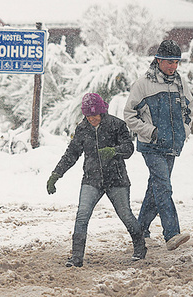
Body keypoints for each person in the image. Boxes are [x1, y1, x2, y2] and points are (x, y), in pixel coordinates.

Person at [47, 93, 146, 268]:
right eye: (88, 115)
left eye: (95, 115)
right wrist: (56, 175)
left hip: (117, 179)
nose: (92, 118)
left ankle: (140, 247)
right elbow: (71, 154)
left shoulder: (117, 125)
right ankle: (76, 258)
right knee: (82, 216)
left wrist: (114, 151)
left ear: (102, 112)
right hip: (91, 180)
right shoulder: (82, 129)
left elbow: (129, 148)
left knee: (125, 215)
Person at [124, 40, 193, 251]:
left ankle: (140, 230)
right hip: (151, 146)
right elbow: (129, 115)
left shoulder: (180, 83)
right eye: (169, 62)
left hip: (172, 145)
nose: (173, 66)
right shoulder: (143, 84)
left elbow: (190, 111)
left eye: (176, 62)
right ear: (158, 60)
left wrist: (184, 132)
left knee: (156, 189)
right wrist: (152, 132)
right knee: (163, 186)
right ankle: (171, 233)